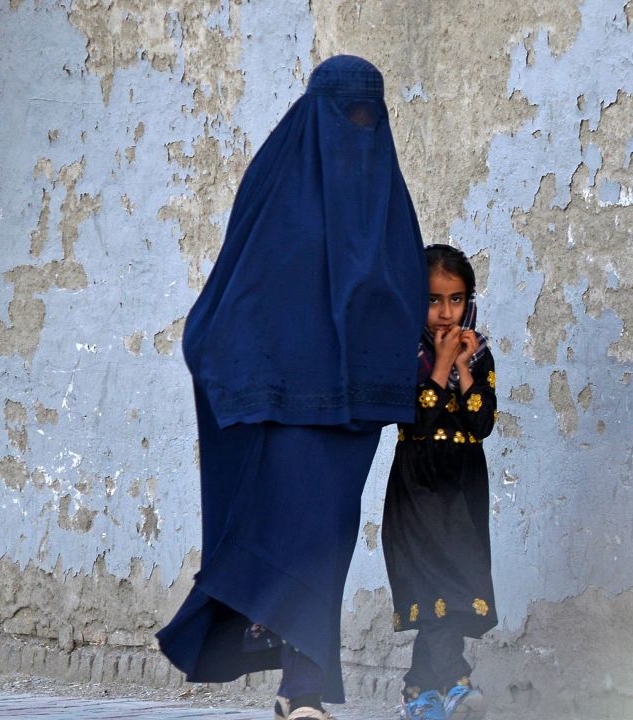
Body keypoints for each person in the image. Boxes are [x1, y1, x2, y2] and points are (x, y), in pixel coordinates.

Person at [155, 55, 427, 720]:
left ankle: (300, 691)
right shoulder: (279, 183)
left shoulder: (386, 200)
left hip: (353, 411)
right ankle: (301, 693)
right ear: (317, 114)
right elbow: (235, 291)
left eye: (370, 116)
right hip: (284, 404)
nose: (358, 129)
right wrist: (243, 373)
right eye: (346, 115)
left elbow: (405, 290)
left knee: (326, 543)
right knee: (294, 539)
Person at [384, 244, 498, 720]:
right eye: (433, 300)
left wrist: (464, 369)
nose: (445, 313)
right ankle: (455, 682)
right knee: (439, 588)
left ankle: (417, 691)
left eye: (455, 299)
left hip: (463, 487)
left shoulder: (480, 353)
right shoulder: (402, 353)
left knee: (455, 587)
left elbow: (482, 423)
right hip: (419, 487)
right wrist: (440, 364)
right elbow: (417, 417)